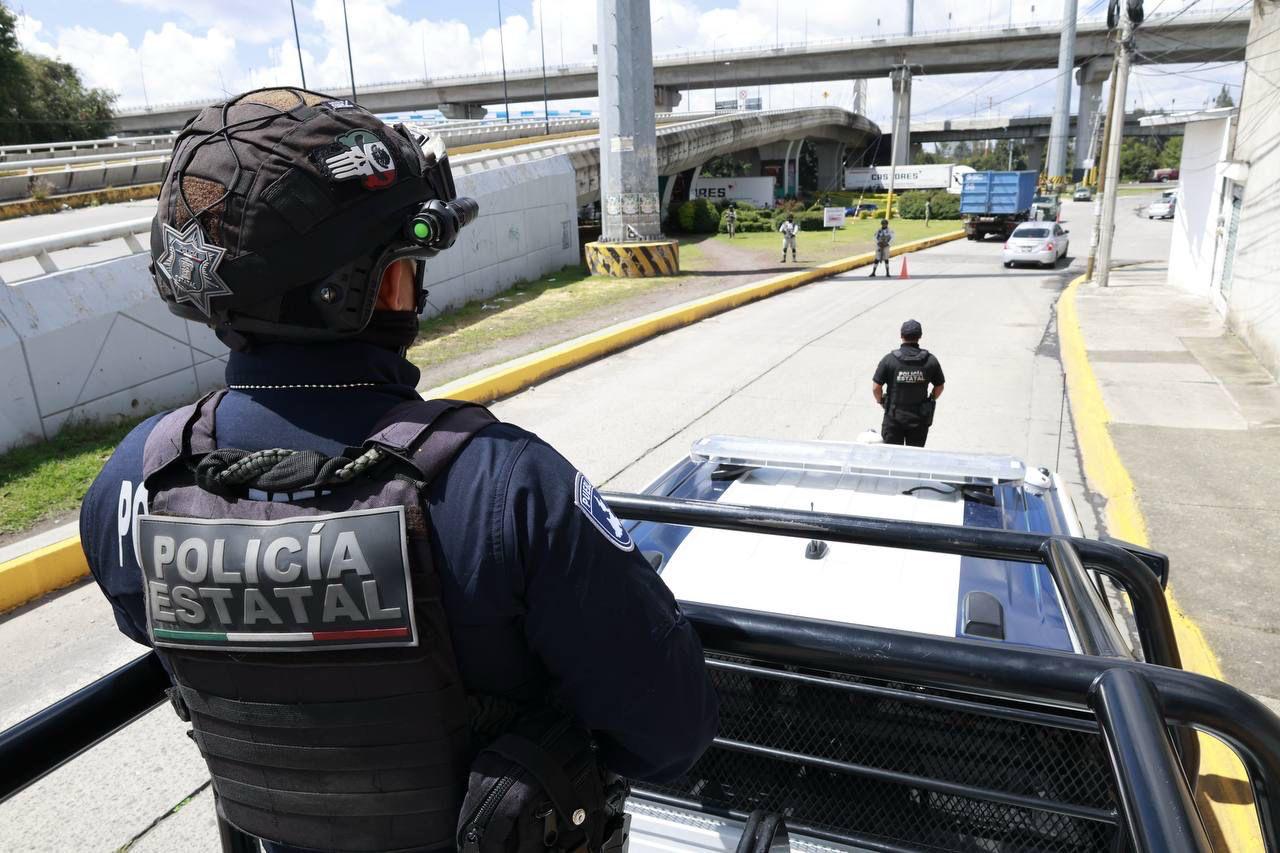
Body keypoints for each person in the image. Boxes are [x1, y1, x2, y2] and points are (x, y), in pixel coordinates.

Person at [79, 88, 718, 853]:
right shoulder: (509, 487)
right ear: (382, 282)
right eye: (408, 257)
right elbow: (671, 730)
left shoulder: (133, 482)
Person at [872, 319, 945, 447]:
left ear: (901, 336)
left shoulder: (889, 360)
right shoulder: (930, 361)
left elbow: (876, 388)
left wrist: (882, 402)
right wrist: (931, 399)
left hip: (893, 419)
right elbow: (939, 386)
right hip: (919, 420)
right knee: (914, 460)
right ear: (920, 336)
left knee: (892, 458)